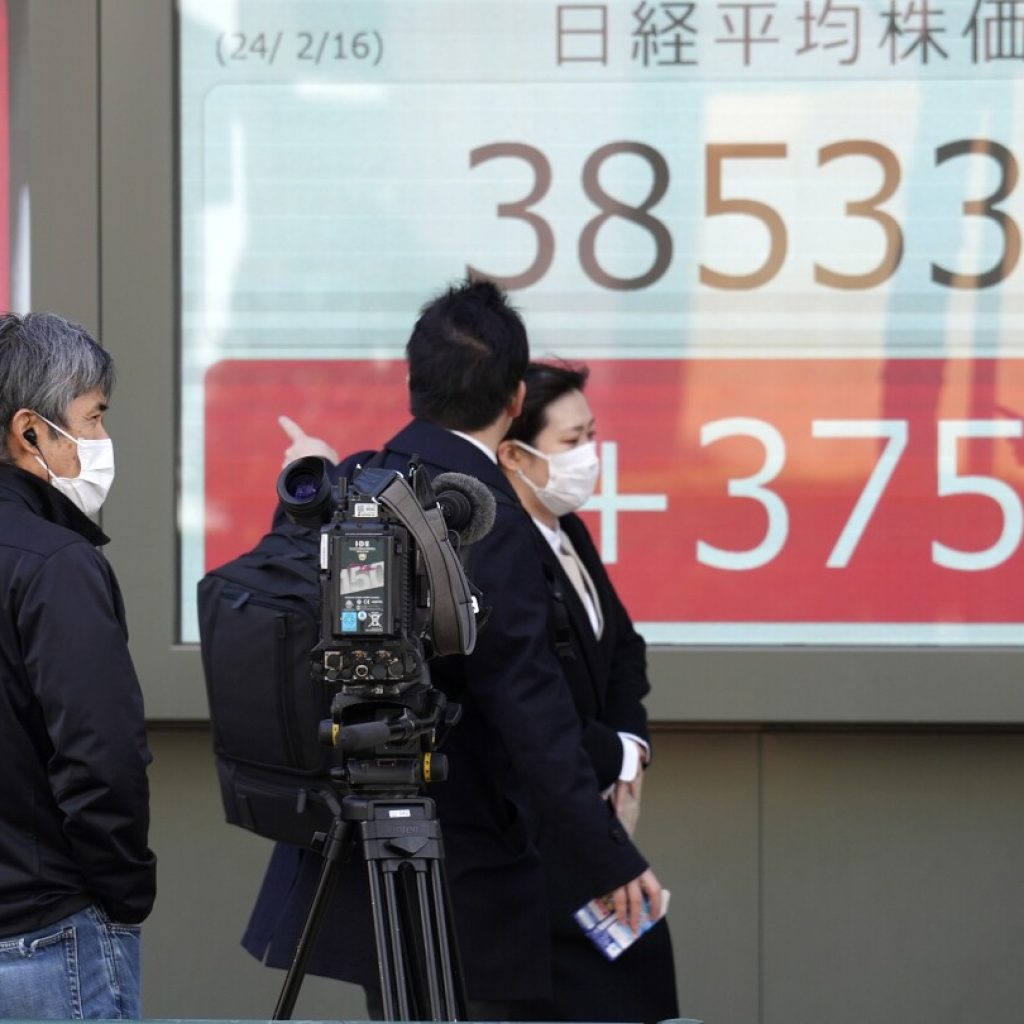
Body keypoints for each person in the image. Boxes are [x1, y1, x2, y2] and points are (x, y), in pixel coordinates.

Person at [243, 279, 665, 1020]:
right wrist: (609, 858)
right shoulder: (486, 519)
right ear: (511, 401)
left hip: (366, 861)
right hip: (465, 881)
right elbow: (533, 716)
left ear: (412, 383)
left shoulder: (356, 486)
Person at [497, 360, 678, 1022]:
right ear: (515, 454)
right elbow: (534, 701)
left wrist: (630, 743)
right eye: (571, 443)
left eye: (592, 436)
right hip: (547, 829)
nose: (589, 457)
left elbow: (625, 649)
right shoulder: (507, 551)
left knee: (637, 975)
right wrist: (615, 758)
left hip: (594, 809)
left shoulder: (566, 528)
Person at [0, 313, 157, 1019]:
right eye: (93, 420)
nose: (101, 443)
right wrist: (123, 896)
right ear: (30, 432)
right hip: (46, 937)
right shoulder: (56, 565)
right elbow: (102, 757)